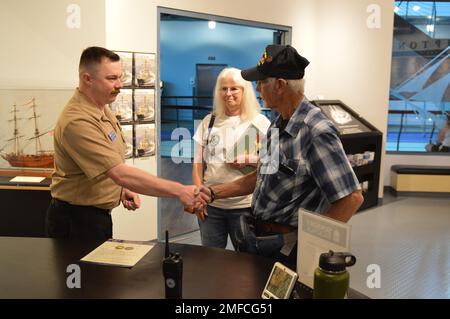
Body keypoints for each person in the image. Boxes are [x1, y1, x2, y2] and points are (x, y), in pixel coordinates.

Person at [202, 45, 364, 266]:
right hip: (261, 239)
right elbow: (261, 176)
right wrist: (212, 193)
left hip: (289, 247)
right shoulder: (279, 124)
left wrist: (309, 246)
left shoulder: (315, 131)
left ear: (279, 85)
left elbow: (351, 198)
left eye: (261, 82)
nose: (258, 88)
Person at [46, 46, 209, 240]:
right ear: (87, 79)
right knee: (88, 271)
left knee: (101, 270)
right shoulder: (78, 121)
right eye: (111, 78)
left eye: (120, 77)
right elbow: (119, 172)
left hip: (95, 217)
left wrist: (121, 189)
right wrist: (180, 191)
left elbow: (106, 165)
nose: (119, 85)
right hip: (75, 221)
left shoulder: (101, 108)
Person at [192, 67, 270, 249]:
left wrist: (250, 159)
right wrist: (198, 196)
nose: (228, 93)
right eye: (223, 88)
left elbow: (272, 164)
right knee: (212, 259)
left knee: (247, 264)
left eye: (234, 88)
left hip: (245, 207)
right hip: (211, 206)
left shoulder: (261, 122)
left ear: (245, 91)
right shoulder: (209, 121)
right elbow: (197, 162)